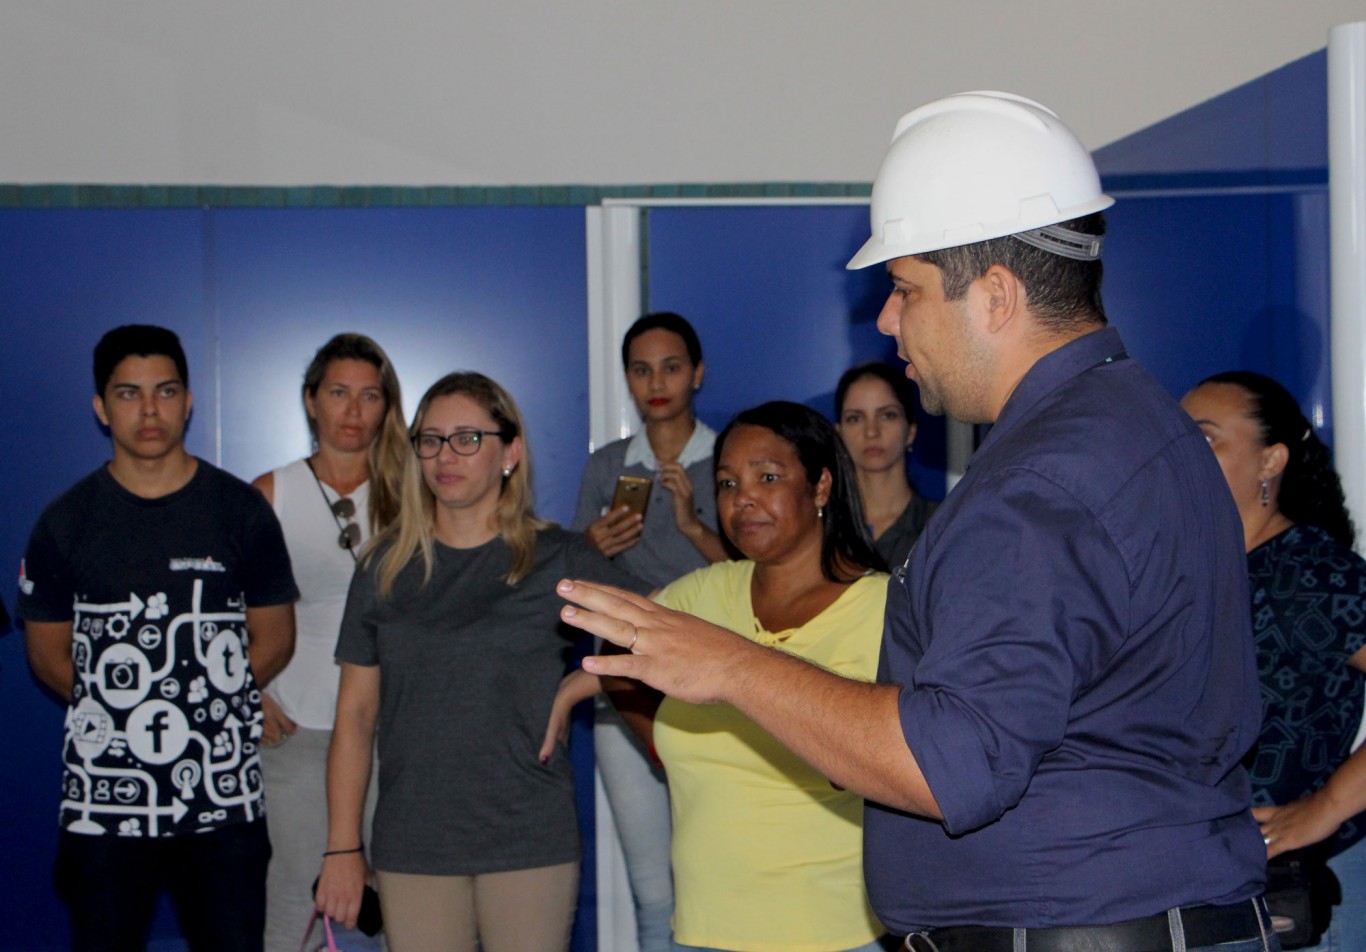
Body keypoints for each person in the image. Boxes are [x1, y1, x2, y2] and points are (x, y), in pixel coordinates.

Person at [556, 91, 1276, 951]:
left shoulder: (1041, 482)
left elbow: (949, 763)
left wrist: (730, 664)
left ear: (996, 295)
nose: (887, 319)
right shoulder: (1143, 424)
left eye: (904, 289)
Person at [314, 371, 649, 952]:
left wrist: (580, 684)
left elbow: (668, 628)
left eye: (468, 438)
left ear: (510, 452)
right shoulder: (383, 568)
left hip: (527, 833)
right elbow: (355, 716)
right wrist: (343, 846)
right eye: (431, 439)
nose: (446, 455)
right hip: (413, 839)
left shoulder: (558, 558)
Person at [548, 401, 889, 952]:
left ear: (821, 486)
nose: (743, 498)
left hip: (836, 934)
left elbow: (867, 765)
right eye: (728, 483)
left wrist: (740, 674)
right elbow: (617, 650)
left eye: (767, 478)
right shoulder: (701, 594)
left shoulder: (883, 607)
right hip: (700, 932)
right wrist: (663, 741)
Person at [17, 324, 298, 951]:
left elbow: (276, 638)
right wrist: (127, 712)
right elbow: (47, 655)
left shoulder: (240, 510)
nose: (149, 410)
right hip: (105, 802)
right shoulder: (66, 521)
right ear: (101, 407)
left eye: (165, 391)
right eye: (129, 393)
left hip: (221, 797)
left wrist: (203, 704)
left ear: (188, 401)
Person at [1182, 371, 1366, 950]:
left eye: (1204, 436)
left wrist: (1326, 806)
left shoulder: (1311, 571)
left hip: (1297, 893)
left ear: (1271, 461)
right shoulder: (1194, 574)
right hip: (1208, 891)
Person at [571, 311, 726, 952]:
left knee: (719, 877)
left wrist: (693, 524)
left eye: (671, 367)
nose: (656, 383)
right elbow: (570, 587)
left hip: (715, 694)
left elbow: (756, 574)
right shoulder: (607, 465)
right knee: (652, 889)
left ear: (697, 373)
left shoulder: (730, 457)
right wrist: (590, 546)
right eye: (641, 369)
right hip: (623, 692)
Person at [251, 334, 408, 952]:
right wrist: (248, 692)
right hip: (297, 729)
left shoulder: (417, 493)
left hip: (398, 727)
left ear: (387, 406)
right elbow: (217, 614)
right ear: (310, 400)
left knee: (402, 901)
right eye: (339, 393)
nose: (353, 410)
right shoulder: (271, 494)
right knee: (298, 900)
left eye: (370, 396)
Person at [835, 361, 937, 568]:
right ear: (839, 432)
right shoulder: (819, 528)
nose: (871, 431)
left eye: (887, 415)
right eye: (855, 418)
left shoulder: (942, 525)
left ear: (911, 430)